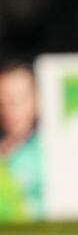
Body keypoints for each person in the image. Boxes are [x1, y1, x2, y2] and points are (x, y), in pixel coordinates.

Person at [0, 61, 43, 222]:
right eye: (3, 101)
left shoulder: (51, 154)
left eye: (18, 99)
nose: (9, 109)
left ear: (36, 98)